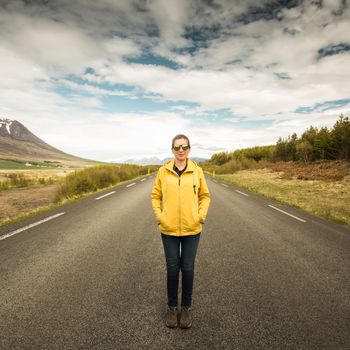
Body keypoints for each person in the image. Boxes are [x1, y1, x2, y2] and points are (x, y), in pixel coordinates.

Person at [151, 134, 211, 329]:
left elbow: (205, 196)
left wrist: (200, 216)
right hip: (168, 229)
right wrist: (160, 216)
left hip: (192, 228)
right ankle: (171, 308)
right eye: (177, 147)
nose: (181, 150)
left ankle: (185, 308)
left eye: (184, 147)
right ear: (172, 150)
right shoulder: (163, 171)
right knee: (172, 268)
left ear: (189, 149)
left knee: (187, 269)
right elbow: (155, 196)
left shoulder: (197, 171)